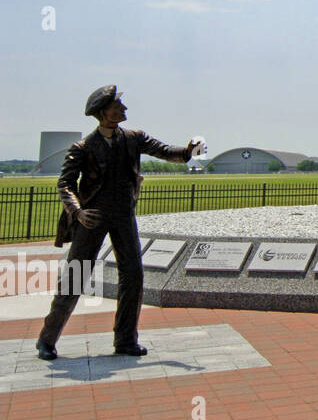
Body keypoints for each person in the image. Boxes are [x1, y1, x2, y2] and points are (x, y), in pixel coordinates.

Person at [36, 85, 200, 361]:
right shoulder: (84, 147)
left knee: (133, 276)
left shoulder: (134, 138)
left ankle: (126, 340)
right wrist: (78, 213)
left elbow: (162, 150)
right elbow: (65, 184)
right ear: (103, 113)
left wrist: (186, 151)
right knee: (75, 277)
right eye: (118, 106)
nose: (124, 110)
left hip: (123, 216)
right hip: (93, 218)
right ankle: (47, 340)